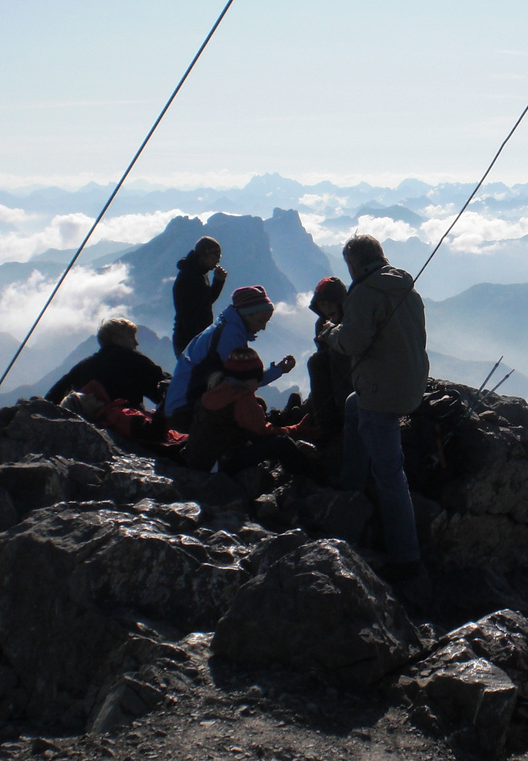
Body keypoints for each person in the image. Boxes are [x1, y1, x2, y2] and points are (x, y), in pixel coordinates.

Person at [319, 235, 429, 592]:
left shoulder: (365, 293)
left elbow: (352, 342)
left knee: (390, 474)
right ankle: (351, 484)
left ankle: (406, 559)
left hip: (383, 393)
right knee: (354, 407)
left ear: (354, 263)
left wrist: (330, 333)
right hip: (412, 385)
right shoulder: (406, 289)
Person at [166, 285, 295, 431]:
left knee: (254, 405)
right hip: (186, 412)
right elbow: (244, 381)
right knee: (247, 410)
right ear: (247, 314)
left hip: (179, 407)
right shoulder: (230, 337)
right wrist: (278, 371)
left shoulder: (226, 327)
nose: (263, 327)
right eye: (260, 321)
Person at [183, 348, 316, 482]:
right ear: (248, 377)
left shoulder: (217, 389)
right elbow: (263, 433)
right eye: (257, 378)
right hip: (216, 465)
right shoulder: (240, 398)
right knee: (282, 444)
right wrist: (295, 430)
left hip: (197, 458)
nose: (258, 384)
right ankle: (314, 477)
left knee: (258, 406)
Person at [45, 318, 169, 409]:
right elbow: (162, 390)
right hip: (126, 426)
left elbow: (53, 396)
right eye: (131, 337)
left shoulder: (84, 365)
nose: (136, 343)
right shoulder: (135, 361)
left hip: (89, 422)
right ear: (116, 339)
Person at [300, 276, 353, 443]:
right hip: (337, 378)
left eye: (331, 303)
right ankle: (326, 425)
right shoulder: (322, 323)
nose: (327, 308)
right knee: (317, 360)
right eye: (322, 304)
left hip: (356, 376)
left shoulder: (353, 320)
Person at [172, 236, 227, 356]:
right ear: (203, 256)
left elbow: (205, 302)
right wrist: (200, 341)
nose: (217, 262)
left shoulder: (198, 273)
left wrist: (218, 282)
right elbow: (190, 314)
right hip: (189, 340)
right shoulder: (190, 277)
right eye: (214, 257)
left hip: (190, 338)